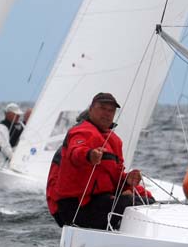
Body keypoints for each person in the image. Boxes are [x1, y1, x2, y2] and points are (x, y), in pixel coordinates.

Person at [51, 92, 153, 230]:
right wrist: (90, 155)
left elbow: (114, 179)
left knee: (147, 199)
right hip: (76, 207)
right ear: (91, 109)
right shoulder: (82, 131)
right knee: (129, 202)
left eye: (111, 110)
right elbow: (76, 152)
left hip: (98, 202)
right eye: (102, 108)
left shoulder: (114, 141)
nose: (106, 113)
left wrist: (127, 181)